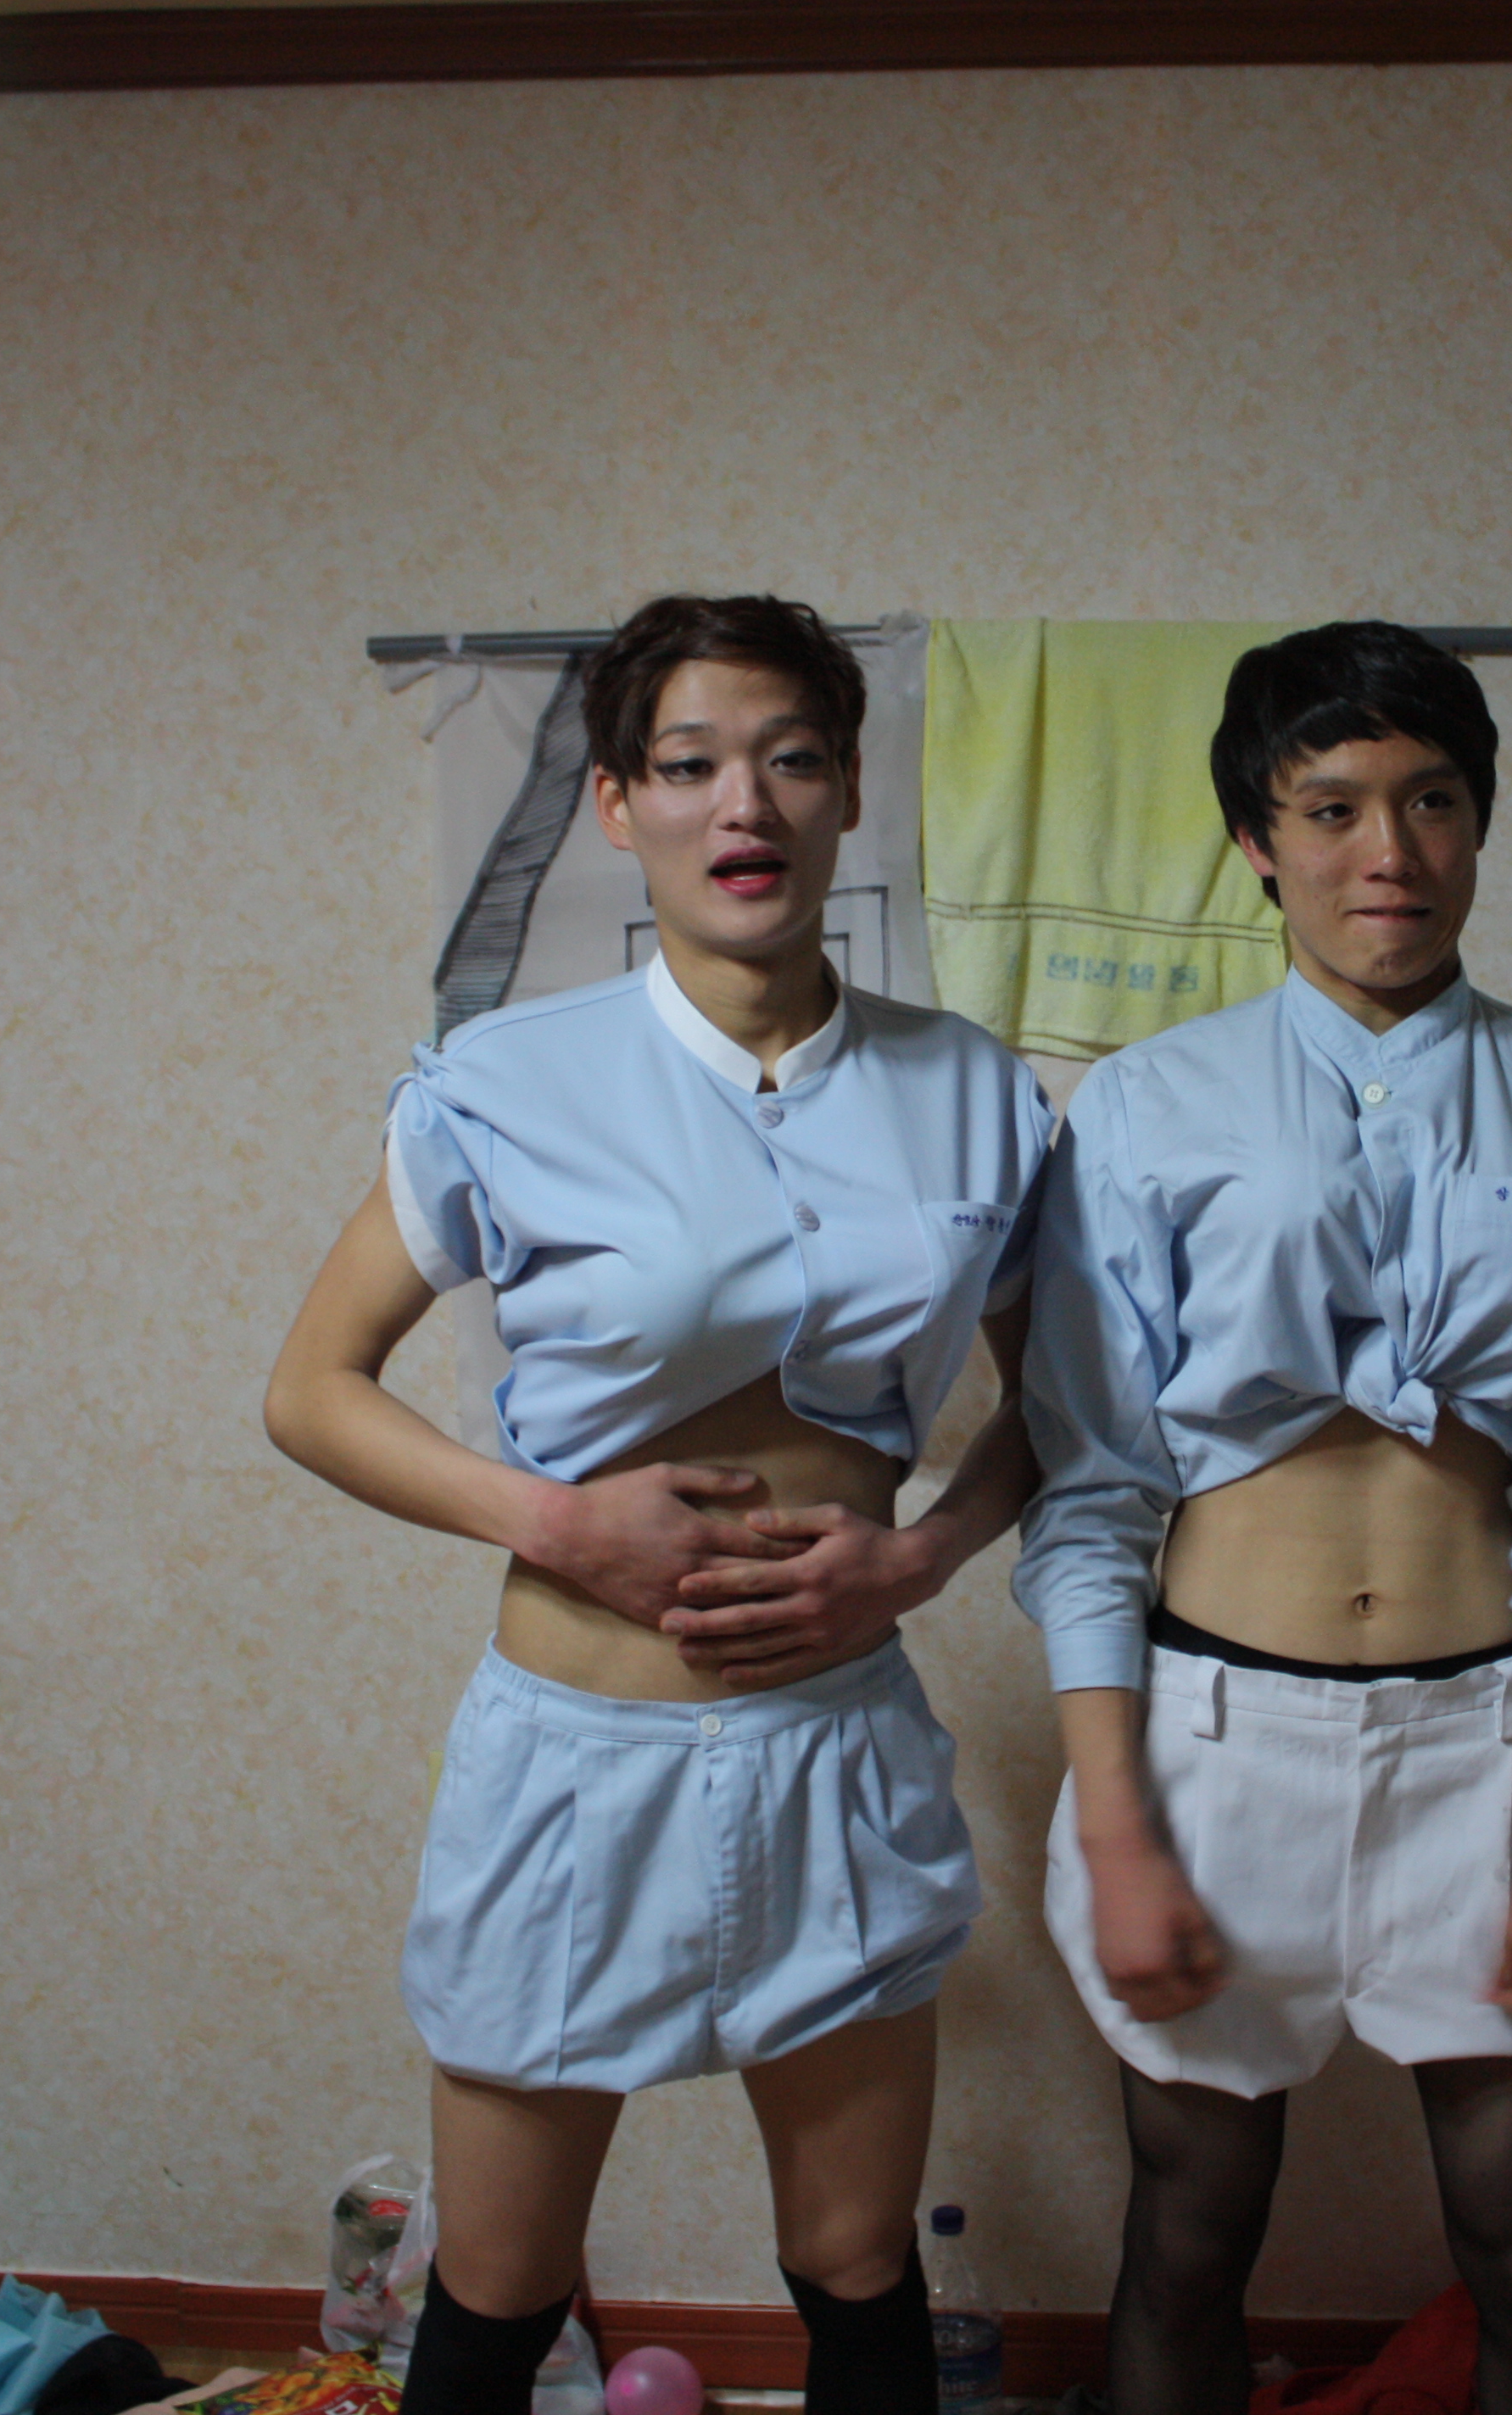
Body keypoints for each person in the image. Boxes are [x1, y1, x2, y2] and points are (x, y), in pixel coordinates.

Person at [265, 594, 1053, 2415]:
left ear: (849, 788)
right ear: (620, 805)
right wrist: (552, 1522)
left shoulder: (972, 1090)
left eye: (790, 757)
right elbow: (310, 1391)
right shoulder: (505, 1081)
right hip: (577, 1762)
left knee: (858, 2263)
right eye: (689, 765)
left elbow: (1057, 1413)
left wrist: (920, 1556)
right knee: (499, 2283)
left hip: (837, 1750)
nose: (743, 805)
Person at [1013, 622, 1512, 2415]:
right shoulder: (1148, 1103)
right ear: (1259, 839)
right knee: (1188, 2233)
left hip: (1490, 1747)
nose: (1388, 851)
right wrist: (1117, 1824)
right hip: (1212, 1743)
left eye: (1431, 800)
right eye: (1330, 808)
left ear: (1479, 820)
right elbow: (1091, 1486)